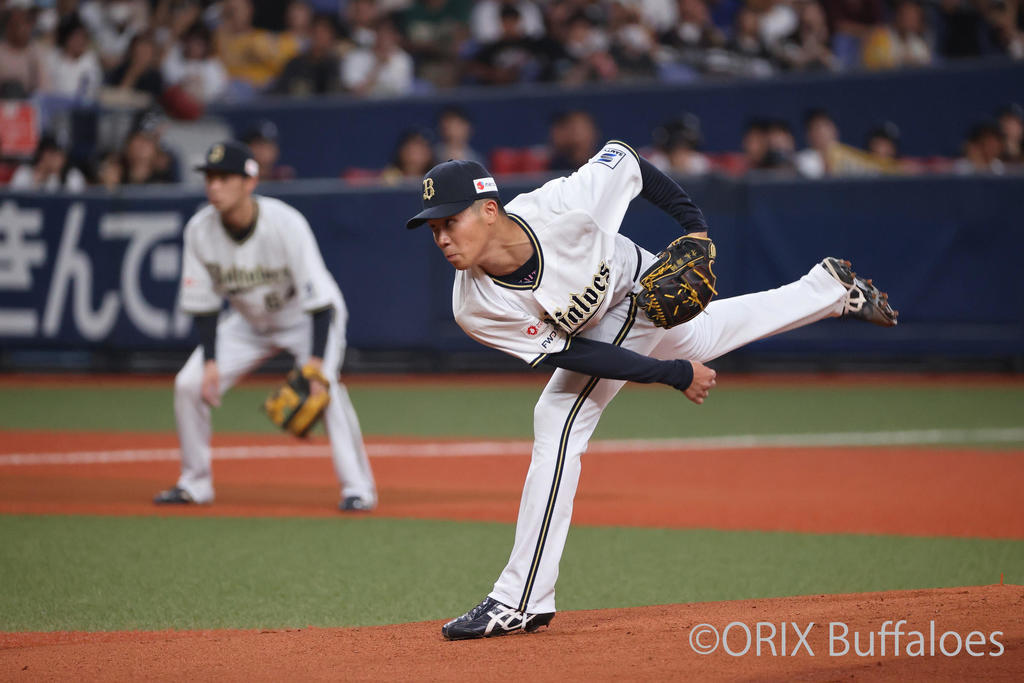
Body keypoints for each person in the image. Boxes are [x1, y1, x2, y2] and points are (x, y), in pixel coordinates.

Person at [405, 140, 897, 640]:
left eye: (451, 222)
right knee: (703, 337)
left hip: (639, 289)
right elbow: (576, 354)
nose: (442, 237)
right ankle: (829, 290)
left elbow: (627, 159)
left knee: (558, 418)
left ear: (489, 211)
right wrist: (672, 372)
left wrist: (695, 228)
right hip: (597, 331)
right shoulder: (475, 305)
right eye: (434, 228)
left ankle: (520, 599)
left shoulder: (564, 205)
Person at [154, 141, 377, 511]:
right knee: (189, 384)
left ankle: (358, 489)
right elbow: (204, 305)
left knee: (326, 387)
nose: (214, 186)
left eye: (224, 178)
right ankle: (195, 483)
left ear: (249, 182)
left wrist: (316, 365)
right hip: (249, 322)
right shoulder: (199, 230)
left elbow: (320, 302)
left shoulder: (285, 223)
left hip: (305, 319)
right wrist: (210, 361)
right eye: (209, 178)